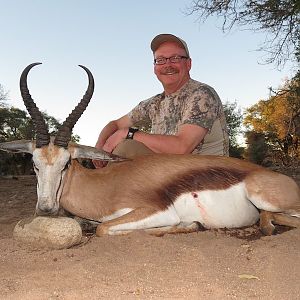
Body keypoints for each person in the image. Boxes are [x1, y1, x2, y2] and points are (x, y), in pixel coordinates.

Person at [93, 33, 229, 168]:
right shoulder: (154, 103)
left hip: (208, 179)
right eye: (161, 60)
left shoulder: (202, 94)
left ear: (188, 64)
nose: (168, 65)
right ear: (155, 68)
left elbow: (182, 147)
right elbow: (116, 124)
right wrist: (99, 147)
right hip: (170, 174)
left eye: (175, 58)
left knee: (127, 148)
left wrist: (128, 134)